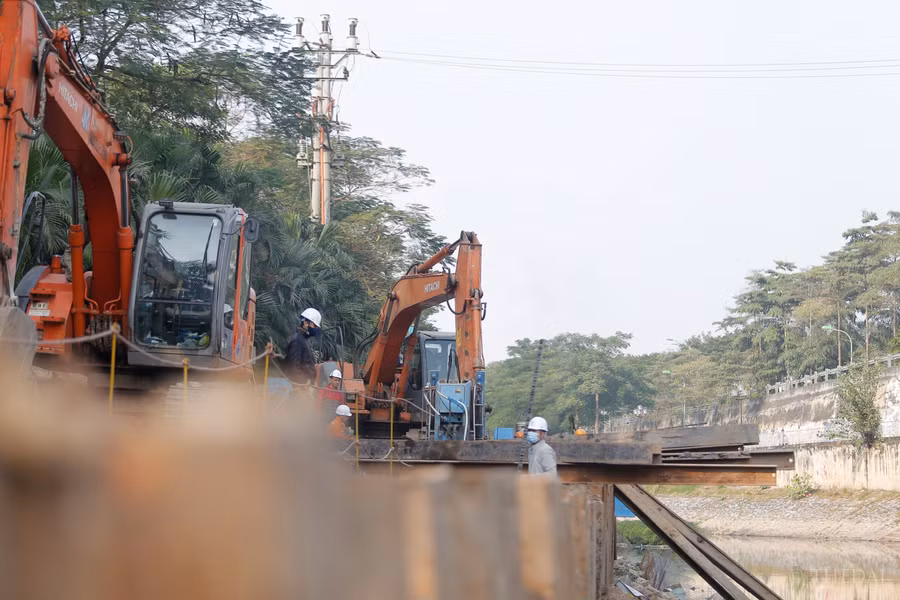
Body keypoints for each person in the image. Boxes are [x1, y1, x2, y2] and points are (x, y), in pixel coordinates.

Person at [284, 307, 321, 384]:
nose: (316, 329)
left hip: (306, 387)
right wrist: (303, 384)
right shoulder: (297, 340)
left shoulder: (303, 340)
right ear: (305, 323)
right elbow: (293, 368)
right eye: (314, 326)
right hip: (300, 389)